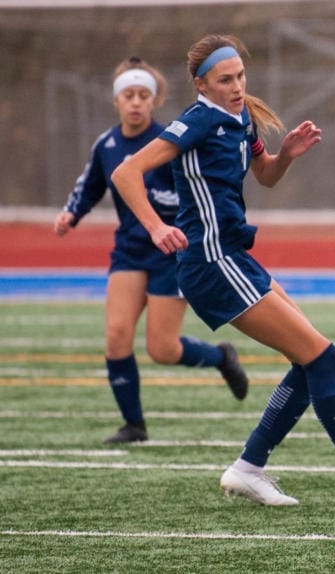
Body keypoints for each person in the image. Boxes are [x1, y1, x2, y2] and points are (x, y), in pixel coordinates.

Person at [112, 34, 335, 506]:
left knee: (311, 359)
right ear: (201, 84)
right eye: (225, 80)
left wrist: (286, 156)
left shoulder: (242, 118)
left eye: (240, 76)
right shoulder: (195, 122)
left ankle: (249, 467)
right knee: (321, 356)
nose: (237, 86)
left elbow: (265, 175)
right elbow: (125, 173)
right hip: (212, 263)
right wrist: (155, 227)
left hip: (235, 257)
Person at [54, 57, 249, 445]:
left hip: (172, 251)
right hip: (130, 251)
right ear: (117, 101)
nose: (136, 103)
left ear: (155, 99)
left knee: (161, 348)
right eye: (129, 95)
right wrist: (71, 214)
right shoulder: (107, 144)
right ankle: (134, 426)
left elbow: (192, 188)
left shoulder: (172, 139)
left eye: (144, 95)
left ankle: (220, 357)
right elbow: (91, 185)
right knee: (116, 336)